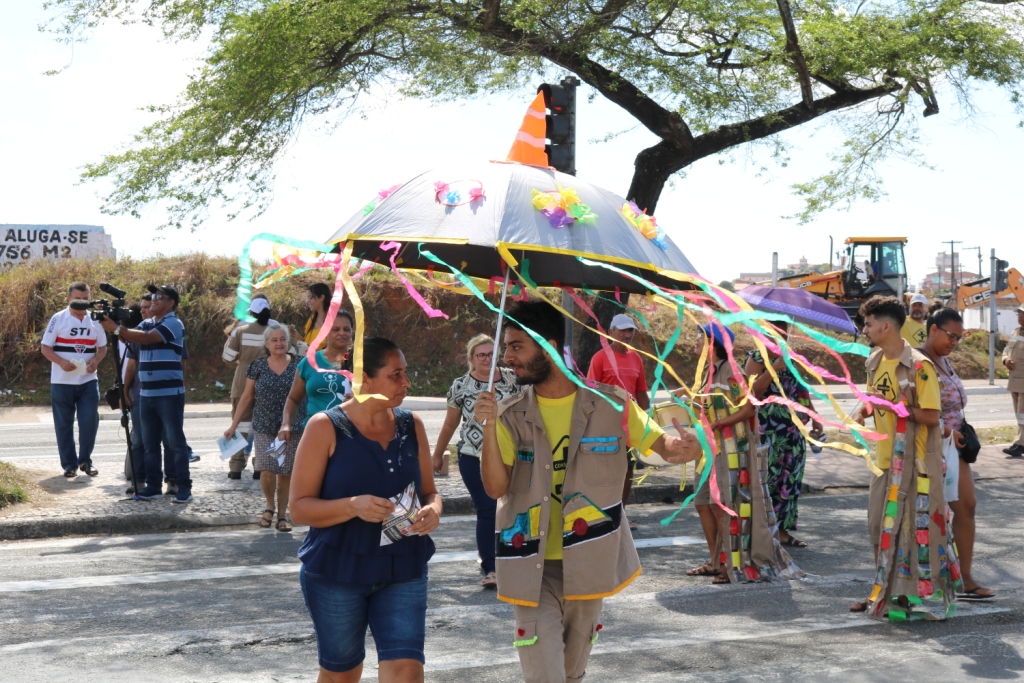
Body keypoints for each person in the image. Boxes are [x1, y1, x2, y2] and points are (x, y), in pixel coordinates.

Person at [474, 299, 701, 683]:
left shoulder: (611, 405)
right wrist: (489, 430)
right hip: (531, 563)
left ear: (547, 347)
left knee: (571, 672)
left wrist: (689, 446)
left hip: (589, 559)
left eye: (517, 347)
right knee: (545, 674)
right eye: (506, 348)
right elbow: (496, 487)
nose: (507, 359)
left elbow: (663, 447)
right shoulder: (509, 413)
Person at [290, 337, 442, 683]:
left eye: (405, 373)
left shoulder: (411, 424)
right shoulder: (324, 427)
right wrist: (352, 506)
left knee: (407, 672)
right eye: (396, 374)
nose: (406, 383)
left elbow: (431, 492)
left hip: (404, 565)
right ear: (364, 378)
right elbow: (298, 509)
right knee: (340, 675)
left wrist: (433, 510)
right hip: (336, 571)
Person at [850, 295, 959, 618]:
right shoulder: (874, 360)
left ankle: (903, 596)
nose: (864, 330)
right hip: (883, 461)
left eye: (868, 324)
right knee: (878, 529)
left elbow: (930, 415)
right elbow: (872, 397)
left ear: (886, 326)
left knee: (911, 531)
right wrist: (862, 410)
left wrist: (891, 408)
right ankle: (884, 592)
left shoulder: (919, 366)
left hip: (915, 465)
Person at [680, 324, 801, 584]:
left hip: (731, 447)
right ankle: (715, 560)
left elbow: (748, 410)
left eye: (700, 336)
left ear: (714, 343)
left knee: (721, 505)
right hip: (708, 448)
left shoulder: (731, 371)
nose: (695, 341)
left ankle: (730, 563)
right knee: (702, 504)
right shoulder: (705, 373)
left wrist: (718, 425)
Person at [431, 333, 519, 589]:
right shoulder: (461, 385)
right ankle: (491, 567)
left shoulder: (513, 378)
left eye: (492, 354)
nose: (487, 359)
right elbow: (450, 423)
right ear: (471, 359)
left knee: (513, 507)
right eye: (481, 355)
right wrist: (437, 454)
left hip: (510, 454)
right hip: (473, 455)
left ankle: (515, 559)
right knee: (487, 508)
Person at [918, 308, 994, 600]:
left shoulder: (944, 361)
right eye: (951, 336)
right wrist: (947, 431)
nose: (954, 342)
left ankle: (964, 577)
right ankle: (927, 578)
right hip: (929, 447)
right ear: (933, 329)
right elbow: (914, 409)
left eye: (959, 338)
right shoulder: (918, 361)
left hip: (955, 449)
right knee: (929, 514)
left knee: (967, 506)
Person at [100, 284, 192, 503]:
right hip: (148, 393)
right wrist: (113, 325)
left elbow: (148, 338)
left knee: (175, 443)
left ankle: (184, 489)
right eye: (153, 296)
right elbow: (131, 340)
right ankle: (153, 486)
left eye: (160, 296)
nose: (154, 299)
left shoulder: (173, 323)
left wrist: (115, 328)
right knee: (150, 444)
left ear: (171, 303)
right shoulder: (147, 323)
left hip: (169, 394)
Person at [745, 322, 823, 548]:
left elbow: (801, 392)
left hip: (792, 429)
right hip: (766, 429)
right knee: (765, 479)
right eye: (775, 331)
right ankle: (761, 529)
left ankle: (782, 530)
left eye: (784, 332)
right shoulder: (755, 359)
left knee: (789, 478)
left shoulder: (792, 358)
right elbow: (752, 394)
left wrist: (815, 417)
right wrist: (772, 370)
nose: (781, 337)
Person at [224, 324, 304, 531]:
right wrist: (233, 426)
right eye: (274, 340)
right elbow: (247, 397)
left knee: (285, 471)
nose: (279, 343)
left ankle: (282, 514)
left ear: (288, 342)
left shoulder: (299, 364)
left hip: (290, 427)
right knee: (267, 468)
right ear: (266, 344)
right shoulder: (257, 365)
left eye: (282, 339)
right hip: (264, 425)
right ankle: (269, 506)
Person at [586, 313, 650, 531]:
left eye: (630, 330)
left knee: (627, 471)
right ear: (610, 332)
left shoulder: (636, 359)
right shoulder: (600, 358)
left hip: (629, 428)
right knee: (605, 472)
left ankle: (620, 516)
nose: (627, 335)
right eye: (622, 330)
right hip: (604, 426)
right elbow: (590, 393)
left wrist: (648, 419)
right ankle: (601, 515)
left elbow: (641, 393)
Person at [40, 281, 108, 477]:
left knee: (89, 421)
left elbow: (102, 347)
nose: (81, 303)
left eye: (85, 299)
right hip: (62, 382)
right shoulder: (58, 318)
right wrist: (61, 362)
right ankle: (69, 465)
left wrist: (96, 360)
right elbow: (45, 347)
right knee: (64, 424)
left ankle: (86, 461)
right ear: (68, 298)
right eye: (77, 299)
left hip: (88, 381)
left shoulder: (95, 319)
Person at [222, 296, 275, 480]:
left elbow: (227, 356)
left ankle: (236, 467)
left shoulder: (241, 331)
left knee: (239, 423)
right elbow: (295, 350)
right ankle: (260, 466)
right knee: (265, 426)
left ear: (251, 312)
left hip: (242, 381)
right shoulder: (276, 330)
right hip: (269, 380)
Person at [281, 311, 355, 443]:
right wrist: (286, 424)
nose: (342, 333)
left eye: (346, 329)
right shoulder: (309, 362)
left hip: (351, 435)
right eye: (336, 329)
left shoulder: (362, 363)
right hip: (314, 435)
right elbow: (293, 398)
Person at [1002, 304, 1024, 458]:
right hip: (1014, 381)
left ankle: (1019, 444)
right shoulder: (1015, 332)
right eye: (1018, 314)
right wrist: (1006, 360)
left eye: (1022, 314)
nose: (1019, 316)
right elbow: (1005, 351)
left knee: (1023, 414)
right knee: (1019, 415)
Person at [303, 282, 333, 348]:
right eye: (307, 298)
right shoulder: (312, 320)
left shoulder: (334, 320)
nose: (308, 301)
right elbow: (307, 346)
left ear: (322, 297)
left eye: (311, 297)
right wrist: (295, 335)